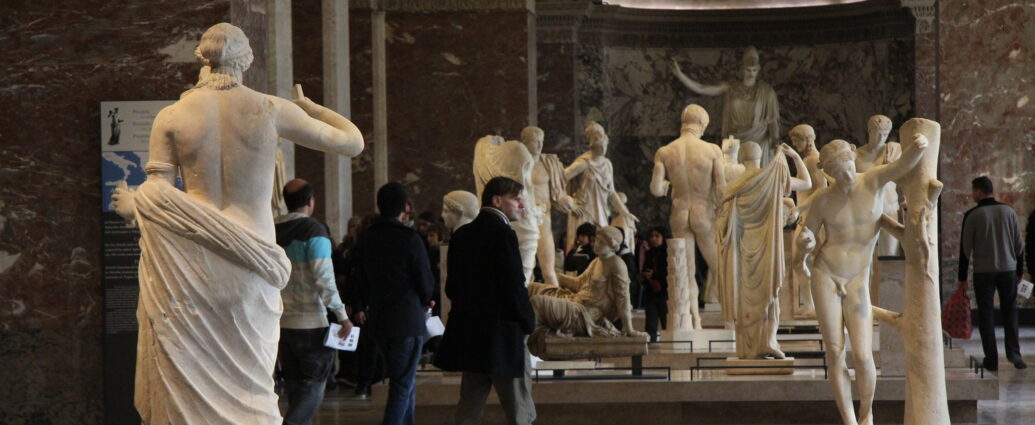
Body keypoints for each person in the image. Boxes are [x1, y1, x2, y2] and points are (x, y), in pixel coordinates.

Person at [110, 23, 364, 425]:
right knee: (254, 381)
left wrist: (135, 203)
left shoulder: (172, 115)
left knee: (192, 365)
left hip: (194, 265)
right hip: (253, 260)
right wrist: (311, 107)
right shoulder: (269, 108)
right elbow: (352, 142)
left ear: (202, 60)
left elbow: (157, 194)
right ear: (247, 59)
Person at [798, 134, 928, 425]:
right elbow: (806, 235)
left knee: (863, 353)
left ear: (853, 157)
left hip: (857, 278)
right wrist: (805, 241)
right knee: (834, 350)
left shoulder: (873, 180)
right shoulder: (822, 200)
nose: (843, 175)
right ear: (827, 173)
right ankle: (849, 420)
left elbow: (903, 165)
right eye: (834, 171)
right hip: (826, 273)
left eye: (845, 166)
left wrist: (919, 144)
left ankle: (866, 411)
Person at [434, 176, 537, 425]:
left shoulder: (462, 235)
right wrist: (528, 322)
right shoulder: (503, 233)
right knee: (518, 410)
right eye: (516, 198)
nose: (521, 205)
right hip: (503, 336)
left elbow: (452, 288)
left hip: (471, 336)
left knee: (469, 407)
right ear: (498, 200)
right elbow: (513, 286)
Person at [350, 183, 435, 425]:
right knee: (401, 384)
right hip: (406, 321)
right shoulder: (410, 239)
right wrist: (425, 299)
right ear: (403, 207)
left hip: (378, 320)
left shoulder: (367, 239)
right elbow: (425, 282)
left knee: (404, 382)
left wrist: (359, 306)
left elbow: (358, 280)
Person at [274, 179, 354, 425]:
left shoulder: (272, 229)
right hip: (311, 325)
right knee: (313, 388)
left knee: (296, 388)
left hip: (281, 324)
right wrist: (342, 316)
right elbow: (324, 278)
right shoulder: (314, 230)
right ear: (311, 202)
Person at [649, 104, 727, 327]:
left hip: (680, 213)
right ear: (701, 124)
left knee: (686, 272)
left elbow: (655, 189)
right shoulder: (712, 150)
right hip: (704, 213)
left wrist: (666, 185)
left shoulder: (665, 152)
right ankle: (733, 319)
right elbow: (721, 190)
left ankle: (693, 322)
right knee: (720, 267)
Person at [959, 176, 1026, 370]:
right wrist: (1019, 271)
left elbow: (965, 250)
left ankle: (992, 359)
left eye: (973, 191)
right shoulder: (1009, 211)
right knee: (1010, 311)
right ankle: (1015, 354)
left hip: (983, 272)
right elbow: (1018, 246)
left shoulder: (972, 215)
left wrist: (961, 279)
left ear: (979, 191)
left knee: (986, 315)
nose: (972, 195)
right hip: (1008, 270)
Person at [671, 47, 780, 165]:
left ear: (758, 70)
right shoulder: (731, 88)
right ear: (742, 70)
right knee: (734, 178)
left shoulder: (767, 91)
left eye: (754, 70)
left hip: (759, 141)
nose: (751, 74)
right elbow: (701, 88)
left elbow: (772, 120)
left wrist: (776, 143)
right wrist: (680, 75)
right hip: (734, 141)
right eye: (748, 70)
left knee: (758, 179)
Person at [640, 226, 671, 343]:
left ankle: (668, 344)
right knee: (650, 323)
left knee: (666, 321)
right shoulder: (648, 253)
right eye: (652, 236)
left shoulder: (668, 252)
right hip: (651, 292)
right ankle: (650, 345)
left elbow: (670, 272)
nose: (654, 239)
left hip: (664, 292)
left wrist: (655, 274)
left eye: (657, 236)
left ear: (663, 238)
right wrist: (644, 276)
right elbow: (645, 268)